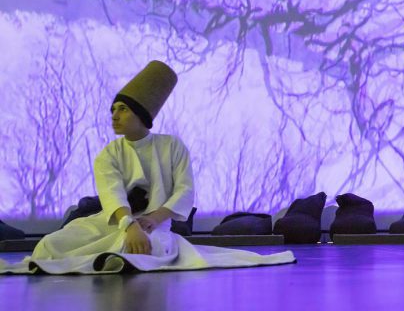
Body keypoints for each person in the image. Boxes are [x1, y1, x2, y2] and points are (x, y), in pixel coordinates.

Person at [1, 60, 295, 274]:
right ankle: (111, 255)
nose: (114, 115)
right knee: (50, 246)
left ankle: (118, 257)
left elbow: (184, 190)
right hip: (116, 223)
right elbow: (112, 193)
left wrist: (152, 221)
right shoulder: (109, 153)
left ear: (141, 115)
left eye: (123, 109)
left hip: (154, 226)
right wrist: (129, 225)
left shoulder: (171, 147)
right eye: (113, 109)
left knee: (151, 248)